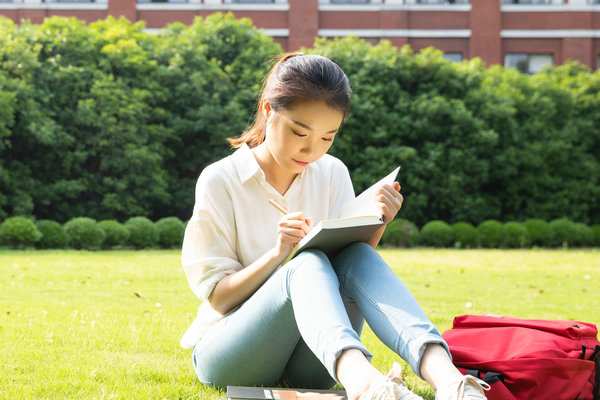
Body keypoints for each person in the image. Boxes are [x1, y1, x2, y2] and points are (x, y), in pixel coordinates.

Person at [180, 52, 489, 400]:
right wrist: (278, 255)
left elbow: (351, 270)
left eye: (328, 137)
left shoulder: (332, 172)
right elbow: (219, 299)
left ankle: (450, 381)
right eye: (300, 132)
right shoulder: (222, 179)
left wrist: (378, 221)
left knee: (354, 253)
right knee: (306, 263)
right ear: (268, 111)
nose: (311, 150)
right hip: (231, 353)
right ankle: (369, 387)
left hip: (314, 360)